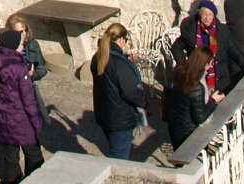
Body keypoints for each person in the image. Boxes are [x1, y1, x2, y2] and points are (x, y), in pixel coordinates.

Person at [0, 28, 46, 183]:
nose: (22, 47)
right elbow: (28, 101)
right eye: (20, 44)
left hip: (2, 118)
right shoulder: (19, 69)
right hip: (21, 121)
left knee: (10, 160)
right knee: (35, 157)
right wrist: (37, 123)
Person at [89, 23, 147, 161]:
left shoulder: (98, 57)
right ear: (121, 39)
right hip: (120, 119)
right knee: (118, 159)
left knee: (114, 149)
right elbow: (130, 92)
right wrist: (144, 102)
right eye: (125, 40)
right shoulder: (120, 63)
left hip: (104, 114)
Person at [175, 1, 237, 106]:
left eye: (210, 15)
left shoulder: (221, 30)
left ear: (214, 16)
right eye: (204, 14)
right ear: (199, 14)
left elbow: (234, 49)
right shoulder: (192, 31)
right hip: (198, 75)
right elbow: (176, 48)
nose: (207, 18)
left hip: (218, 76)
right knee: (201, 104)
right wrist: (185, 66)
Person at [160, 45, 219, 149]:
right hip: (188, 131)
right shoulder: (197, 85)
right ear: (205, 63)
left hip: (174, 124)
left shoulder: (180, 70)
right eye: (210, 63)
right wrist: (213, 100)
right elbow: (200, 117)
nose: (210, 66)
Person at [8, 15, 48, 117]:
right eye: (19, 32)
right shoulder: (5, 48)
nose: (23, 34)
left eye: (25, 30)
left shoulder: (32, 45)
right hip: (11, 92)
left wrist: (33, 74)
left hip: (29, 88)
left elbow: (42, 68)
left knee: (40, 120)